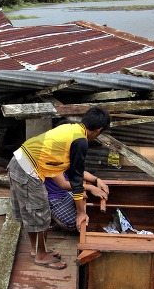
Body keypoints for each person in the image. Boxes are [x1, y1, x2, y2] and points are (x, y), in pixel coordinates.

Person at [8, 106, 111, 270]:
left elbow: (74, 172)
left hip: (20, 162)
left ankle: (37, 250)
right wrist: (81, 212)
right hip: (27, 169)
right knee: (40, 213)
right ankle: (41, 256)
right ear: (99, 130)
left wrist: (95, 180)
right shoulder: (80, 141)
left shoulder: (71, 129)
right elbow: (76, 180)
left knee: (33, 212)